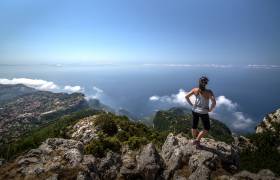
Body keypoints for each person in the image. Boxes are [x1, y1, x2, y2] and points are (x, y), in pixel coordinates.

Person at [185, 76, 216, 148]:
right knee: (206, 128)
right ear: (206, 83)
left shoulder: (195, 90)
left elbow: (186, 96)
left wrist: (192, 105)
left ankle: (194, 139)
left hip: (194, 110)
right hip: (204, 111)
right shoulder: (209, 92)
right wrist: (210, 110)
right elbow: (214, 102)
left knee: (194, 126)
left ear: (199, 82)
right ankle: (197, 140)